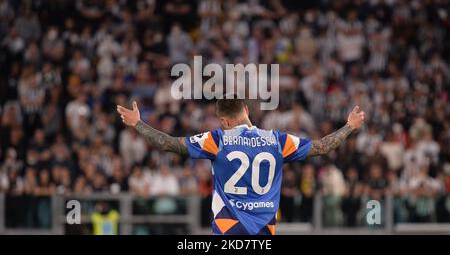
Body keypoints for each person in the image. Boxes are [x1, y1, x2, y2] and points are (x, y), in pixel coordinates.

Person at [116, 98, 365, 235]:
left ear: (223, 120)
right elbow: (323, 147)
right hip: (265, 230)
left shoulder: (217, 140)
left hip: (229, 228)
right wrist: (349, 126)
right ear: (246, 109)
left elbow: (170, 144)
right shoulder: (277, 140)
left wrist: (138, 123)